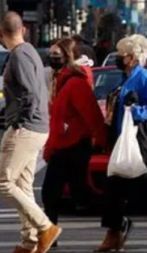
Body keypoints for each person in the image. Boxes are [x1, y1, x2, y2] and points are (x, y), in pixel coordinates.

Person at [0, 12, 60, 253]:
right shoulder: (29, 50)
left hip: (26, 128)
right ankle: (28, 242)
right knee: (22, 185)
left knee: (3, 183)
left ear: (0, 33)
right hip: (37, 127)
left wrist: (19, 122)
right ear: (24, 29)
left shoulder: (19, 55)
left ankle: (44, 226)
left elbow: (30, 93)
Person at [97, 34, 147, 252]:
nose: (118, 58)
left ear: (132, 58)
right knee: (114, 189)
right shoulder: (127, 78)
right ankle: (114, 233)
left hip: (141, 142)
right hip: (124, 141)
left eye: (122, 55)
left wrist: (135, 112)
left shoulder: (145, 78)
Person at [41, 37, 105, 225]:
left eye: (56, 55)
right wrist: (50, 147)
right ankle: (50, 234)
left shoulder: (75, 82)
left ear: (67, 56)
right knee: (54, 193)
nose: (51, 58)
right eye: (50, 54)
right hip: (63, 144)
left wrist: (103, 140)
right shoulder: (60, 80)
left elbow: (92, 114)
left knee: (79, 193)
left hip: (74, 144)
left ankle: (117, 221)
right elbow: (57, 119)